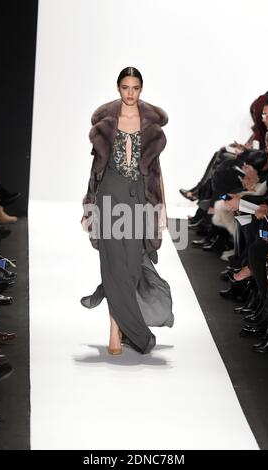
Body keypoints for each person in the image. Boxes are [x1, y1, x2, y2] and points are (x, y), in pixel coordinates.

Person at [80, 67, 174, 355]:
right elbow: (96, 170)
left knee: (132, 266)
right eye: (125, 87)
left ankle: (124, 325)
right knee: (112, 265)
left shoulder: (152, 128)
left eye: (135, 87)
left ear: (141, 89)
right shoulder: (106, 123)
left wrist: (162, 208)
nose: (130, 93)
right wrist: (88, 207)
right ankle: (114, 329)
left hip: (138, 199)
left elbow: (156, 172)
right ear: (118, 88)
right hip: (109, 193)